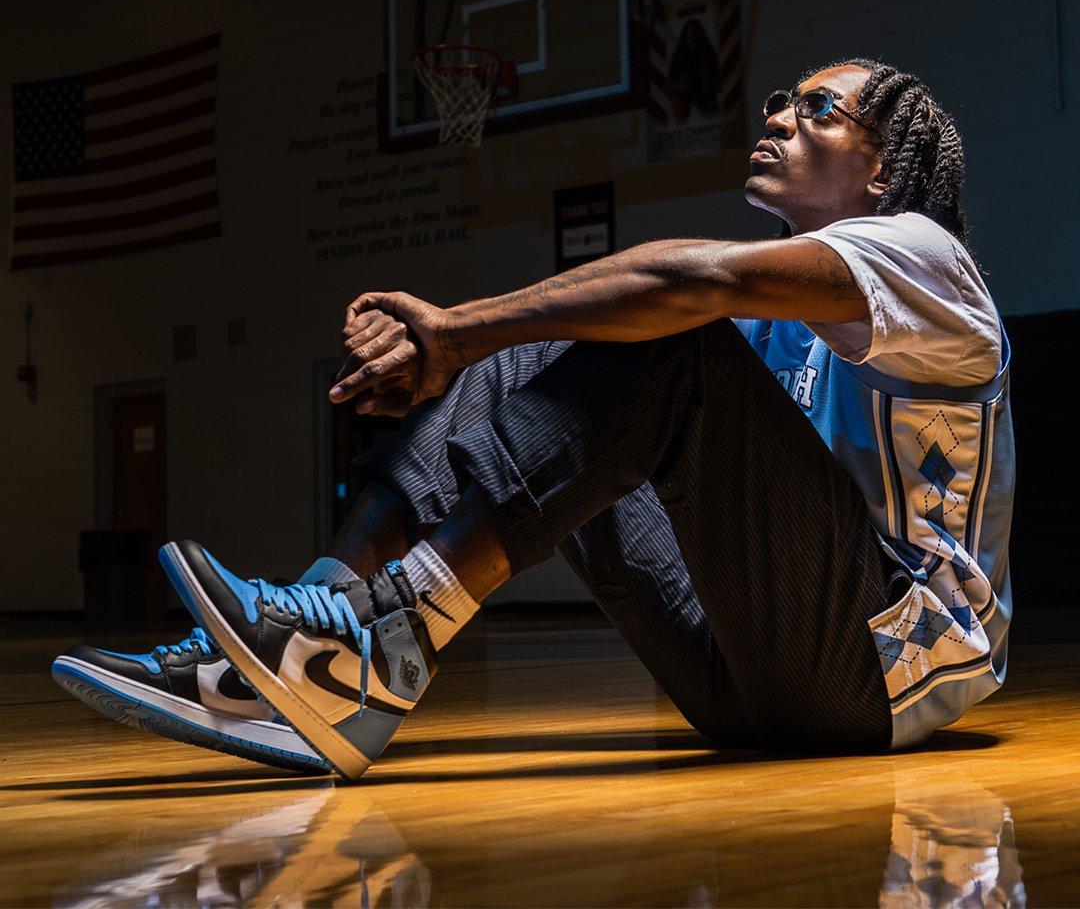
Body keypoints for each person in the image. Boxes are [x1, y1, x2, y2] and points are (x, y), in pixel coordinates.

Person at [54, 59, 1014, 781]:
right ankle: (306, 642)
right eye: (777, 99)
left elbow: (694, 279)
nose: (777, 116)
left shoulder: (926, 258)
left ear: (884, 173)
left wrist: (451, 333)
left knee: (670, 330)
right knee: (542, 346)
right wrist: (476, 346)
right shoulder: (786, 309)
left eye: (817, 109)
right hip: (748, 667)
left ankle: (396, 633)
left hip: (881, 673)